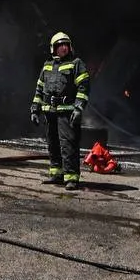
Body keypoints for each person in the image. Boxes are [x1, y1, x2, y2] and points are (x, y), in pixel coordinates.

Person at [30, 31, 91, 190]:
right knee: (53, 144)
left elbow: (83, 88)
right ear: (53, 48)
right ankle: (56, 174)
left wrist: (78, 108)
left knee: (68, 145)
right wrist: (35, 109)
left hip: (67, 112)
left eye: (66, 45)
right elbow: (39, 89)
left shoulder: (76, 64)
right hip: (49, 111)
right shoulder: (47, 65)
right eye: (60, 45)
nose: (64, 48)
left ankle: (71, 177)